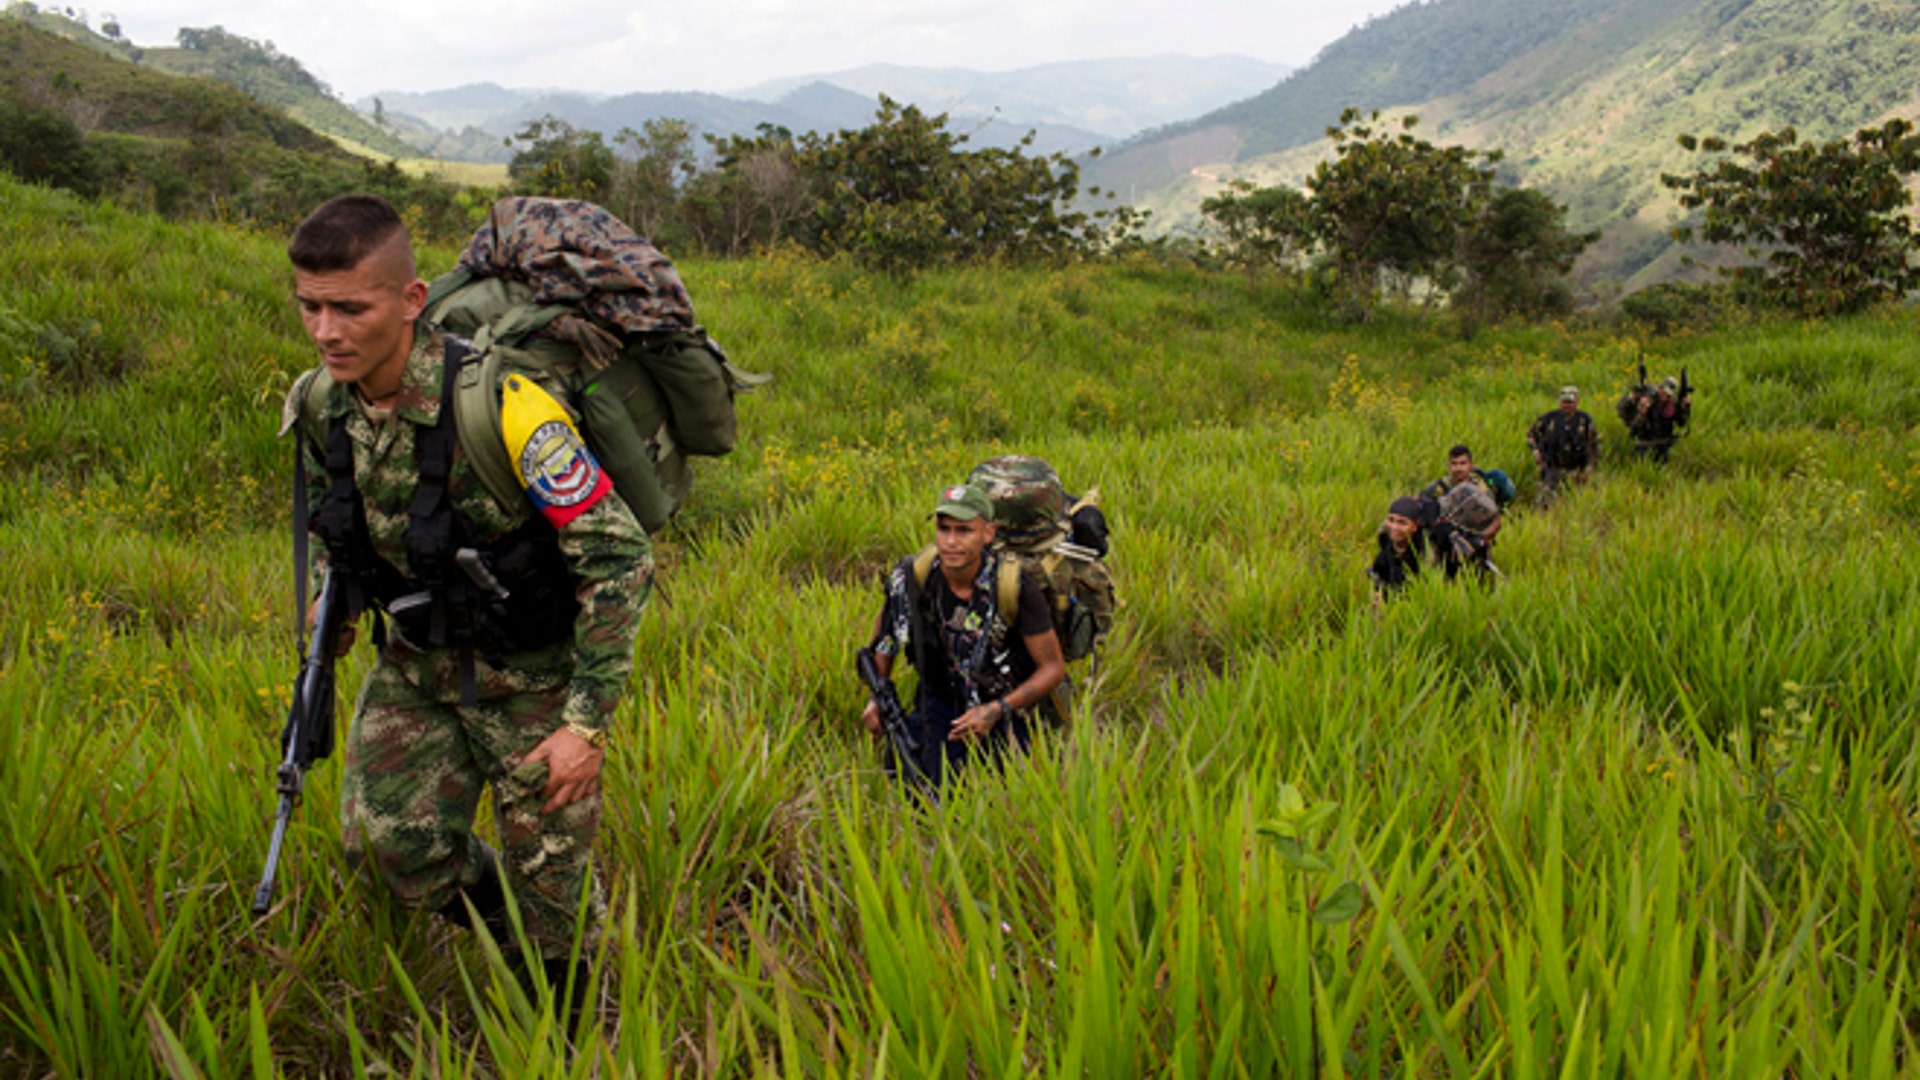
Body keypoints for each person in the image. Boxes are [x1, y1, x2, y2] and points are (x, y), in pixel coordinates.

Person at [279, 194, 653, 1027]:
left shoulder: (506, 405)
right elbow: (335, 521)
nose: (326, 332)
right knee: (384, 850)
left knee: (553, 891)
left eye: (350, 308)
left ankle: (565, 1032)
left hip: (532, 681)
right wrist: (327, 609)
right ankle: (499, 918)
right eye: (310, 306)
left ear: (411, 302)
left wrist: (586, 725)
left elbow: (621, 557)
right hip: (416, 666)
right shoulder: (317, 404)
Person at [861, 483, 1067, 787]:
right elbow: (886, 641)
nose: (951, 542)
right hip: (940, 698)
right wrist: (876, 698)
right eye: (943, 529)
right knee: (921, 788)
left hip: (1002, 704)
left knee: (1018, 792)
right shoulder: (913, 576)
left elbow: (1052, 667)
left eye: (964, 530)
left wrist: (996, 710)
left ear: (988, 533)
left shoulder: (1014, 586)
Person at [1527, 386, 1599, 504]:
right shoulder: (1549, 419)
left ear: (1577, 402)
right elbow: (1530, 434)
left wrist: (1589, 469)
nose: (1567, 405)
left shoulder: (1584, 420)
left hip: (1576, 471)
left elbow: (1594, 445)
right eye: (1564, 402)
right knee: (1543, 504)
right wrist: (1535, 451)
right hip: (1551, 470)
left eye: (1570, 402)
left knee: (1576, 504)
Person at [1368, 496, 1429, 599]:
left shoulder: (1425, 551)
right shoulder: (1385, 537)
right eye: (1391, 520)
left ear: (1415, 526)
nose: (1394, 527)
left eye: (1402, 522)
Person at [1621, 375, 1691, 463]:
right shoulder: (1647, 401)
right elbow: (1634, 427)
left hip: (1662, 445)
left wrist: (1685, 410)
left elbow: (1681, 423)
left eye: (1668, 395)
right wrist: (1643, 413)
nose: (1665, 397)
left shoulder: (1671, 405)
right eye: (1664, 392)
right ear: (1659, 388)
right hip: (1644, 445)